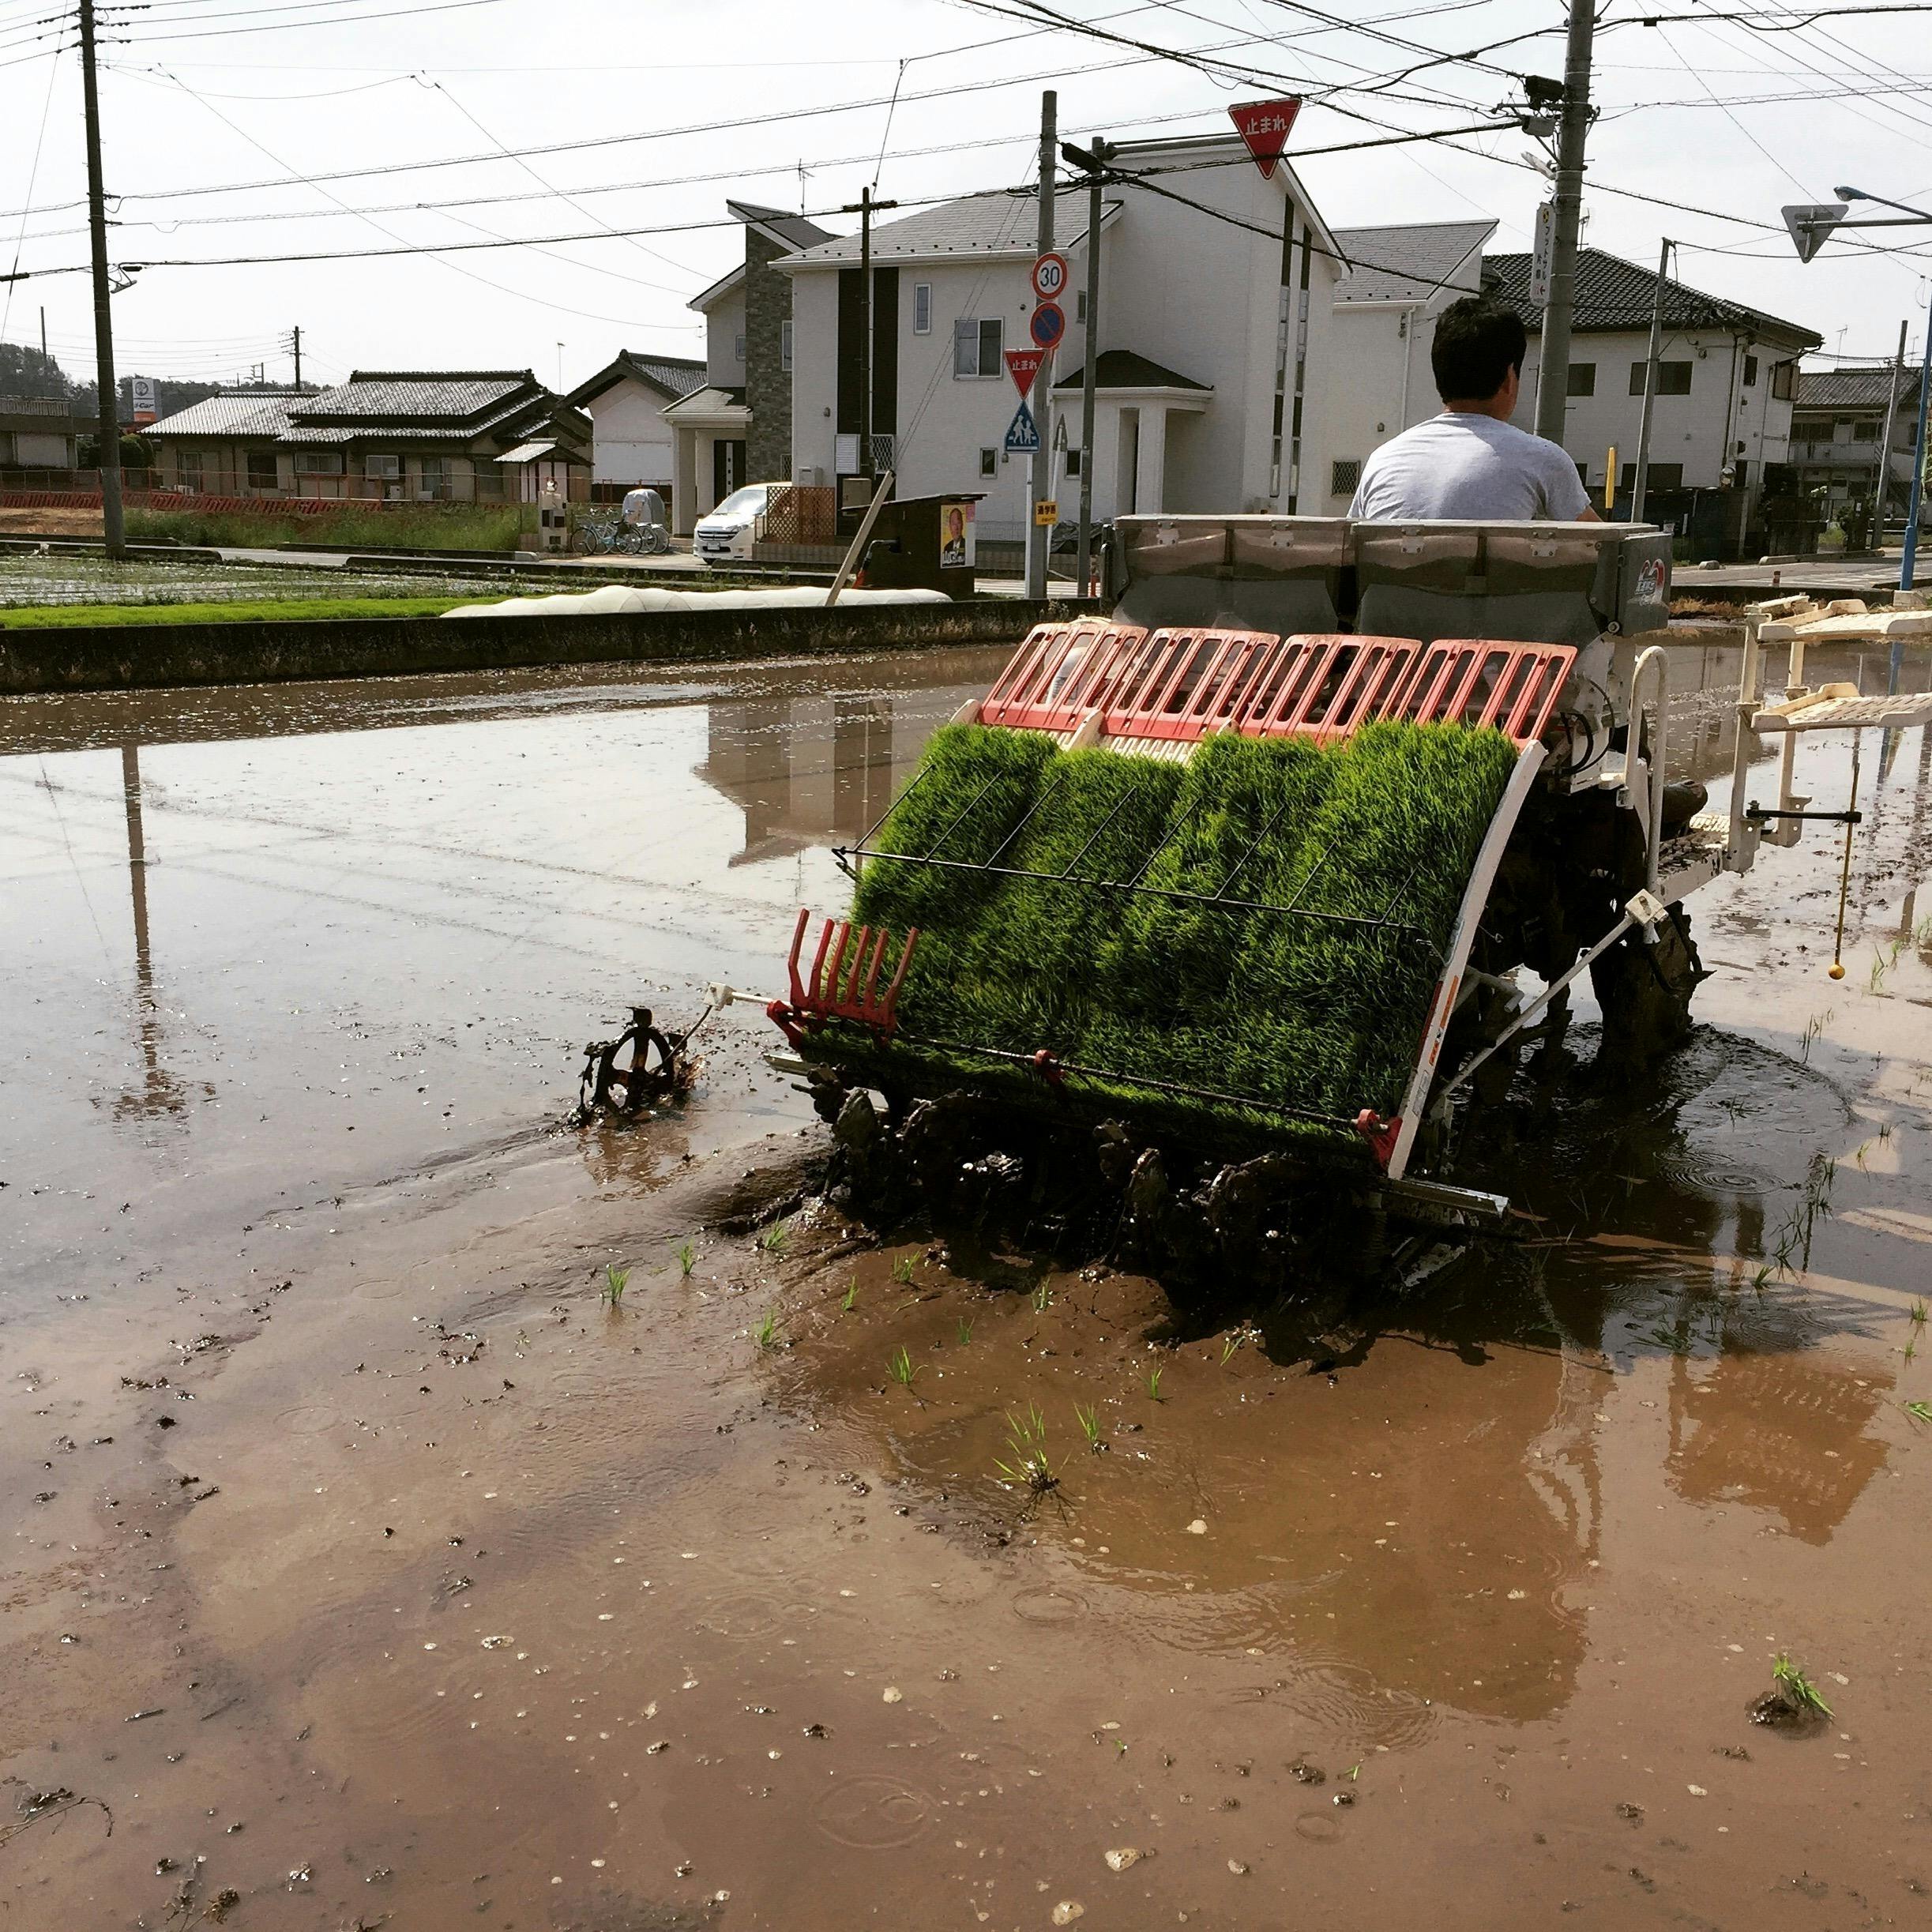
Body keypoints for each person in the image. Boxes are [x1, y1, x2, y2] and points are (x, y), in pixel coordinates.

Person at [1349, 296, 1599, 523]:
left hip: (1388, 574)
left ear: (1438, 374)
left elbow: (1350, 546)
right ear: (1509, 379)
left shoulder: (1383, 459)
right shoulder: (1542, 459)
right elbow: (1604, 550)